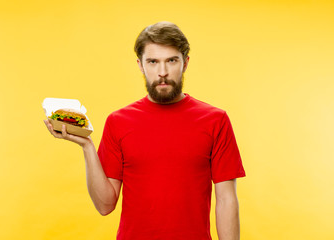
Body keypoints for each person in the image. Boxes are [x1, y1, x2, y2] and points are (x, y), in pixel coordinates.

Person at [44, 21, 246, 240]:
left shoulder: (215, 120)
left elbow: (226, 200)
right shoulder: (118, 121)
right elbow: (105, 205)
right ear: (140, 65)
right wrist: (87, 146)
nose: (162, 72)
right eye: (153, 62)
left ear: (185, 63)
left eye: (171, 60)